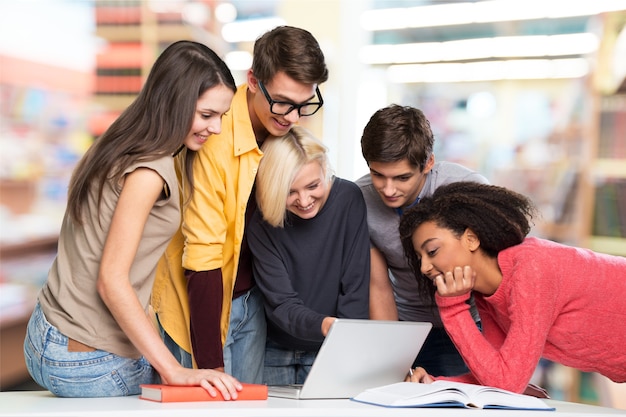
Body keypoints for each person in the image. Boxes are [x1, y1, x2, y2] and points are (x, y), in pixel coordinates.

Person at [23, 40, 242, 398]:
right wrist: (173, 371)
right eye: (206, 115)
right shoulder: (150, 170)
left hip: (46, 333)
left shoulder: (119, 140)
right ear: (173, 103)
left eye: (222, 116)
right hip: (87, 357)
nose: (215, 128)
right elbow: (111, 280)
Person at [152, 26, 329, 384]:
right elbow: (202, 256)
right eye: (282, 102)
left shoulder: (287, 126)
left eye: (303, 104)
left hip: (252, 300)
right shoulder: (213, 138)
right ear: (252, 80)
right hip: (199, 304)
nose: (292, 117)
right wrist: (210, 366)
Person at [400, 181, 626, 393]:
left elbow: (507, 383)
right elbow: (495, 373)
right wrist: (435, 384)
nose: (424, 268)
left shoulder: (530, 268)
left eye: (432, 252)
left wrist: (451, 309)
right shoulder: (488, 294)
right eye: (420, 258)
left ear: (470, 239)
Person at [355, 104, 487, 377]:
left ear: (428, 163)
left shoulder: (468, 190)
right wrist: (394, 358)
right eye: (378, 175)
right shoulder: (360, 200)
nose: (388, 190)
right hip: (406, 328)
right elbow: (378, 286)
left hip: (469, 323)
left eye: (402, 177)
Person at [247, 126, 370, 385]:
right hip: (274, 349)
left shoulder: (348, 199)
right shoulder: (261, 221)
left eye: (313, 185)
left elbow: (355, 288)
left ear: (325, 168)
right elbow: (281, 303)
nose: (304, 201)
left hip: (332, 348)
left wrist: (345, 342)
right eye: (289, 192)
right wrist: (327, 325)